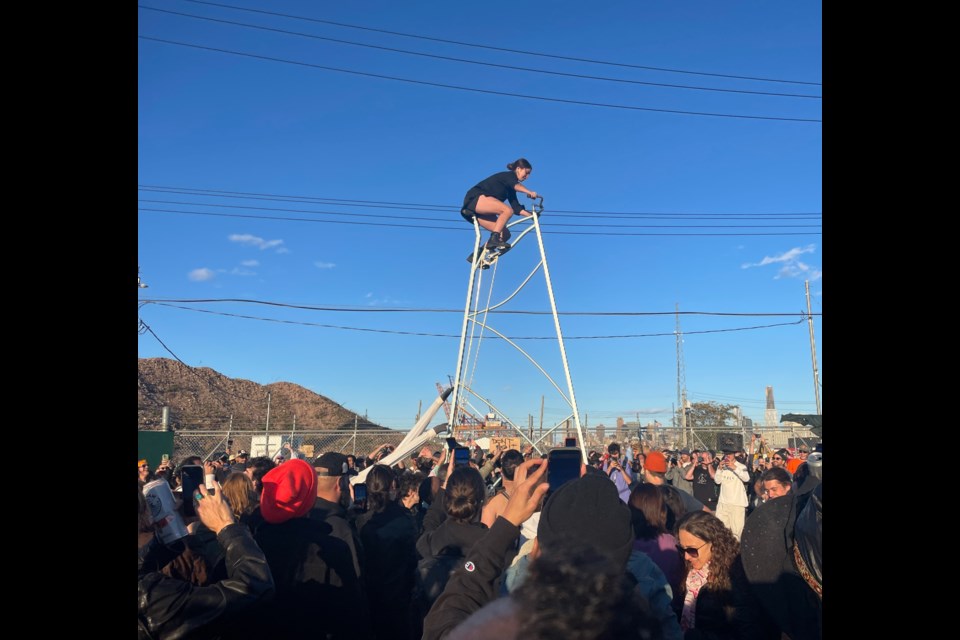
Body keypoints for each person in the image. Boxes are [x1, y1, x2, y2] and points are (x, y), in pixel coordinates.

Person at [422, 460, 680, 640]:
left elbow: (451, 610)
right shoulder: (645, 608)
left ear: (536, 552)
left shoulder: (507, 626)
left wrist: (507, 523)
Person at [138, 481, 275, 639]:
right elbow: (256, 589)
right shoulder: (150, 597)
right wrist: (226, 526)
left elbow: (143, 566)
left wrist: (174, 530)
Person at [675, 511, 777, 640]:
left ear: (713, 543)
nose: (686, 556)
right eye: (681, 549)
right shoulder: (691, 571)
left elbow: (748, 631)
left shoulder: (737, 576)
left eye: (692, 550)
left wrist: (695, 636)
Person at [462, 158, 539, 262]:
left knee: (505, 234)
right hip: (474, 201)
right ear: (518, 169)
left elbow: (516, 208)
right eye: (526, 173)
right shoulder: (509, 176)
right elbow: (516, 186)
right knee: (507, 210)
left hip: (481, 211)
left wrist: (532, 216)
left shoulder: (511, 188)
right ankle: (493, 240)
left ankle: (478, 253)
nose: (527, 177)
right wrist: (529, 192)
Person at [713, 451, 750, 540]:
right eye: (726, 454)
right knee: (721, 531)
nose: (728, 456)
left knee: (736, 534)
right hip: (723, 503)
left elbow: (746, 478)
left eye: (730, 454)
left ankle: (736, 552)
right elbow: (717, 481)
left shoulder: (741, 466)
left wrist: (734, 468)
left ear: (734, 455)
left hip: (737, 504)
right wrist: (719, 469)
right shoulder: (723, 466)